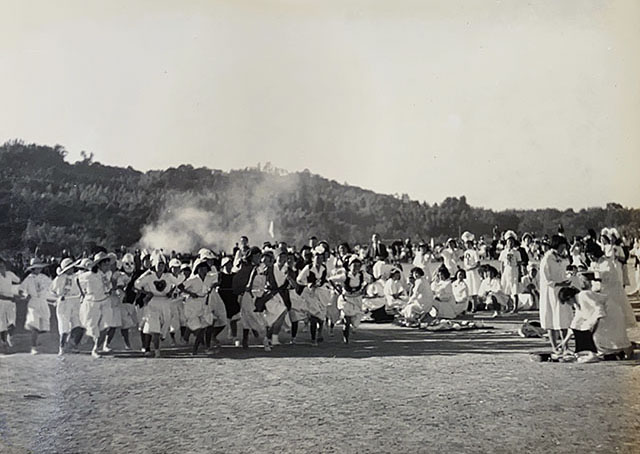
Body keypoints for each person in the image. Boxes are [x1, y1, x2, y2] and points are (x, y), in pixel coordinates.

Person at [558, 286, 633, 360]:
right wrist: (565, 341)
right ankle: (614, 352)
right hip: (603, 316)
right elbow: (576, 322)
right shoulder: (577, 304)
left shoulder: (584, 295)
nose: (568, 304)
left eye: (567, 302)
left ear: (569, 297)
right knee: (591, 333)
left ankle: (627, 349)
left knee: (607, 334)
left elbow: (599, 309)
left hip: (611, 312)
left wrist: (593, 327)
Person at [134, 252, 181, 357]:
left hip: (165, 302)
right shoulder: (150, 276)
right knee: (154, 327)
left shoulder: (168, 276)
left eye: (162, 265)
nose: (161, 267)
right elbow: (137, 285)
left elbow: (178, 282)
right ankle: (156, 351)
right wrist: (147, 293)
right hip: (152, 302)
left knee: (167, 321)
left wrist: (171, 291)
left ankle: (162, 337)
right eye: (159, 265)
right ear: (154, 265)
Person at [539, 235, 572, 353]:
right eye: (562, 246)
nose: (564, 248)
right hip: (550, 292)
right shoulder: (547, 258)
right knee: (551, 319)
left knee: (563, 318)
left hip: (562, 291)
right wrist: (559, 284)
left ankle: (565, 346)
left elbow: (564, 271)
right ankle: (554, 347)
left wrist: (568, 279)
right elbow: (546, 279)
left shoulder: (563, 257)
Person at [77, 252, 113, 358]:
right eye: (105, 264)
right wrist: (83, 293)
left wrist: (109, 290)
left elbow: (108, 286)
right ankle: (85, 339)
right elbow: (77, 280)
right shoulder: (88, 275)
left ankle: (96, 348)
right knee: (93, 327)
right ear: (99, 265)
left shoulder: (108, 274)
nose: (108, 266)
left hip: (105, 301)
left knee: (106, 326)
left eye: (108, 264)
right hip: (92, 303)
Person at [20, 258, 54, 355]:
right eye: (36, 268)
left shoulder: (44, 277)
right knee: (34, 325)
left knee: (44, 326)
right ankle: (33, 347)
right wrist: (25, 295)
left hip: (43, 302)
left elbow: (52, 287)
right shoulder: (28, 279)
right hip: (33, 303)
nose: (38, 270)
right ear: (32, 269)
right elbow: (21, 290)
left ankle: (36, 339)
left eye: (40, 268)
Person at [50, 258, 84, 355]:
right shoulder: (59, 279)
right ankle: (62, 347)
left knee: (78, 325)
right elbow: (52, 291)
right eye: (70, 268)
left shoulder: (78, 276)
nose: (72, 269)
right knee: (64, 326)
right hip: (64, 303)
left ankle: (72, 344)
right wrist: (58, 297)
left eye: (73, 267)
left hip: (76, 301)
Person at [181, 258, 215, 355]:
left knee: (207, 325)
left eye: (205, 268)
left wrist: (211, 288)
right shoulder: (193, 279)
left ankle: (200, 348)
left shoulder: (209, 278)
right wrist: (190, 293)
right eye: (201, 268)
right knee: (198, 328)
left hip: (203, 304)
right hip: (192, 305)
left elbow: (216, 280)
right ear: (198, 269)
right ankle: (193, 344)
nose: (204, 270)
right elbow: (180, 286)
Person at [296, 247, 328, 345]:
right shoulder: (309, 268)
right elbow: (299, 279)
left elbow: (325, 278)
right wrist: (307, 284)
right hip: (311, 294)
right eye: (317, 258)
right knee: (313, 316)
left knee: (321, 316)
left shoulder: (324, 268)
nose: (319, 260)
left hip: (322, 293)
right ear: (313, 258)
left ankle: (320, 332)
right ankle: (313, 338)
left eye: (321, 258)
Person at [333, 256, 369, 343]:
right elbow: (331, 280)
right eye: (354, 265)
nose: (356, 267)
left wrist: (364, 289)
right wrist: (337, 289)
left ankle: (353, 327)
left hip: (357, 299)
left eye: (358, 265)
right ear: (349, 266)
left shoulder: (362, 275)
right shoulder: (345, 275)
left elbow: (370, 279)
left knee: (356, 319)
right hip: (346, 299)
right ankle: (346, 338)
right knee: (347, 320)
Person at [0, 257, 20, 353]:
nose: (2, 267)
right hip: (1, 302)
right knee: (2, 324)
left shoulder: (9, 274)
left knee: (12, 323)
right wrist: (9, 298)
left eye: (3, 265)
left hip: (11, 302)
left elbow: (18, 280)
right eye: (0, 266)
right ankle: (4, 343)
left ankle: (8, 338)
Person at [499, 231, 522, 313]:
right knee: (506, 290)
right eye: (509, 242)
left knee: (514, 289)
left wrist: (519, 274)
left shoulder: (517, 252)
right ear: (506, 242)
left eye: (512, 242)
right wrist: (502, 273)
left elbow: (519, 264)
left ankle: (515, 307)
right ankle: (508, 306)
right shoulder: (503, 252)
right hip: (506, 271)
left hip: (514, 271)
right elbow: (501, 263)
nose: (510, 243)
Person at [461, 232, 481, 312]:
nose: (467, 245)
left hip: (473, 273)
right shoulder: (465, 253)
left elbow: (478, 263)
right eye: (466, 244)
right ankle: (468, 306)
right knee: (468, 289)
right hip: (467, 273)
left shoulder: (474, 252)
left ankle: (475, 306)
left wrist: (471, 268)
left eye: (468, 243)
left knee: (474, 289)